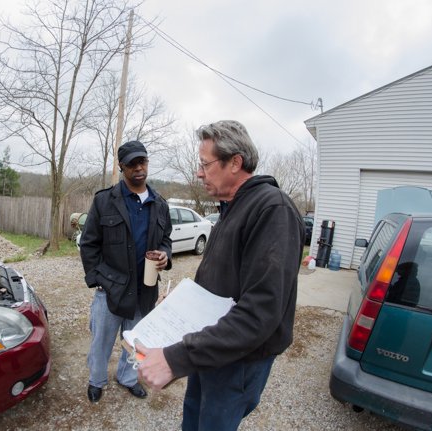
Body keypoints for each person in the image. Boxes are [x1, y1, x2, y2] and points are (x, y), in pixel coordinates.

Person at [137, 120, 305, 430]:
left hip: (238, 359)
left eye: (205, 164)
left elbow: (260, 312)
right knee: (194, 417)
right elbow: (220, 281)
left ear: (235, 163)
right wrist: (179, 304)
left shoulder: (271, 210)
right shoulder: (231, 208)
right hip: (212, 349)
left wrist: (175, 359)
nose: (199, 172)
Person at [79, 140, 173, 403]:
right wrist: (99, 280)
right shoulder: (104, 201)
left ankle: (128, 378)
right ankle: (96, 380)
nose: (138, 168)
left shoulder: (160, 204)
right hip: (111, 290)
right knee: (101, 343)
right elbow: (88, 244)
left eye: (142, 162)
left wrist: (166, 255)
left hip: (145, 289)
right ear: (121, 167)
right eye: (132, 164)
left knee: (135, 343)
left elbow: (166, 239)